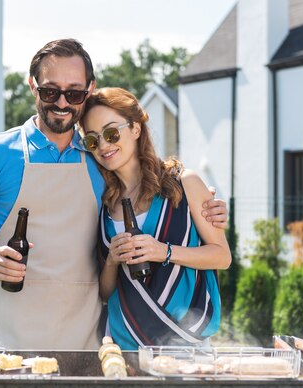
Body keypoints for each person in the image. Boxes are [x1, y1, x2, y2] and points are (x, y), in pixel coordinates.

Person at [0, 39, 229, 351]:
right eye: (51, 91)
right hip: (12, 328)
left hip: (85, 336)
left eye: (74, 93)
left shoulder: (101, 160)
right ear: (32, 85)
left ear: (88, 91)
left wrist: (205, 202)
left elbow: (151, 186)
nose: (62, 103)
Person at [78, 87, 231, 350]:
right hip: (124, 346)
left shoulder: (185, 183)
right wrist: (113, 260)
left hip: (184, 341)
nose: (103, 145)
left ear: (136, 128)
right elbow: (105, 294)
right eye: (92, 140)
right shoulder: (102, 203)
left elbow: (222, 256)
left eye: (111, 133)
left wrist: (164, 252)